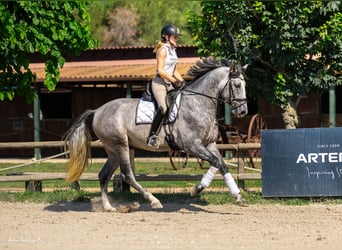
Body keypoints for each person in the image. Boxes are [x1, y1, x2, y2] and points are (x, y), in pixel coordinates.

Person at [146, 24, 185, 148]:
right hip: (160, 83)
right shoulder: (162, 50)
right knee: (163, 107)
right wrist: (174, 81)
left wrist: (183, 82)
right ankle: (151, 136)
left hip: (170, 82)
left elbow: (174, 70)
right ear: (166, 37)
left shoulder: (173, 50)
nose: (177, 39)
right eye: (175, 37)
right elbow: (161, 71)